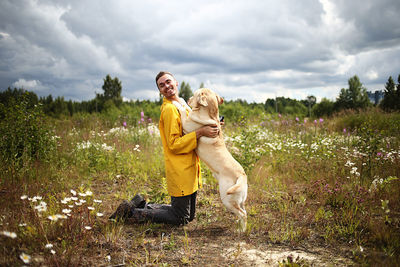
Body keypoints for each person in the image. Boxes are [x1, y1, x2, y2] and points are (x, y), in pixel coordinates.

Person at [109, 71, 219, 226]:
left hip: (190, 165)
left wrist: (213, 126)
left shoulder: (182, 103)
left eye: (168, 82)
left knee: (188, 216)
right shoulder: (169, 109)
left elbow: (192, 127)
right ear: (160, 91)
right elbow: (173, 144)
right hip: (180, 167)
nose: (167, 86)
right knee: (180, 218)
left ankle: (141, 204)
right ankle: (132, 212)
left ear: (176, 82)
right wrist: (201, 132)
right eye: (162, 85)